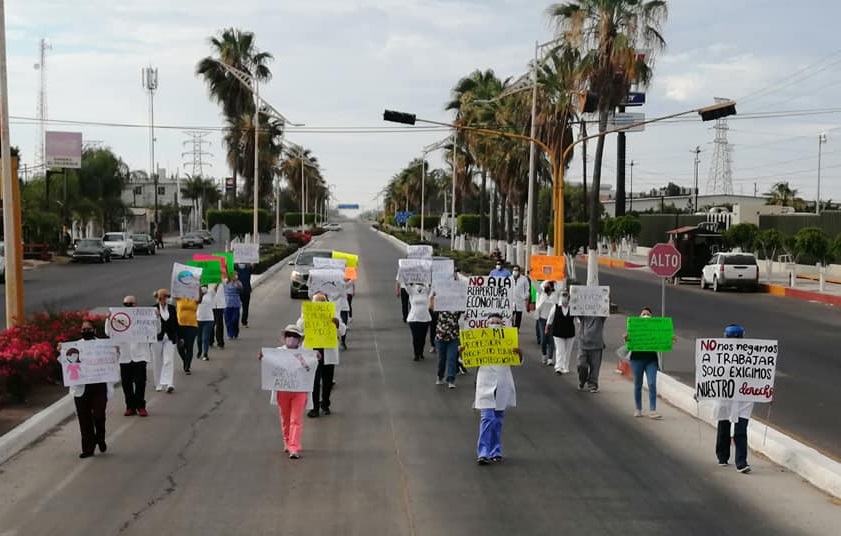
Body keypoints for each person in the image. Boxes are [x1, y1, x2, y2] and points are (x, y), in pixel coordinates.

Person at [469, 313, 521, 465]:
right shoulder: (480, 341)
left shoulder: (508, 341)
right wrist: (462, 351)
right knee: (487, 418)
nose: (495, 324)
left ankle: (495, 450)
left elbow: (517, 361)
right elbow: (469, 359)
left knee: (497, 420)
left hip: (502, 383)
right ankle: (483, 452)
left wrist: (519, 352)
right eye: (492, 322)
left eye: (498, 322)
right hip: (486, 382)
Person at [261, 324, 312, 459]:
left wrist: (314, 358)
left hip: (299, 390)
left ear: (300, 339)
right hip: (283, 390)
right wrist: (263, 357)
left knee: (296, 419)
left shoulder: (306, 353)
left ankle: (294, 447)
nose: (291, 339)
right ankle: (287, 441)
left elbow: (310, 368)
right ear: (284, 338)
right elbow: (270, 366)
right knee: (285, 418)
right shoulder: (278, 352)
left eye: (295, 336)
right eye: (289, 335)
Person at [65, 320, 114, 458]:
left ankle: (100, 438)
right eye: (83, 329)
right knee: (84, 418)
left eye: (89, 329)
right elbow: (66, 362)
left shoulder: (103, 345)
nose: (86, 331)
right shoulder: (75, 346)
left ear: (94, 330)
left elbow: (112, 360)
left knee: (99, 415)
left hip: (99, 385)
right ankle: (88, 448)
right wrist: (61, 352)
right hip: (81, 386)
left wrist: (114, 352)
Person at [297, 292, 345, 418]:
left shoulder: (333, 313)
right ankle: (315, 408)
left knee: (327, 380)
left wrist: (337, 324)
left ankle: (325, 404)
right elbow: (299, 328)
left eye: (321, 303)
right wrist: (306, 319)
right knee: (314, 380)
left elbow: (342, 330)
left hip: (328, 350)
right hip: (313, 351)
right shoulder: (306, 313)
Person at [714, 324, 754, 474]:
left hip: (743, 397)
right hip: (726, 396)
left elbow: (761, 375)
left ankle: (740, 462)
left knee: (739, 429)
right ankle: (723, 456)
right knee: (726, 427)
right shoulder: (718, 353)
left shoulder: (751, 354)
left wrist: (765, 393)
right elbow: (709, 373)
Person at [112, 295, 153, 417]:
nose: (129, 307)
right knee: (126, 383)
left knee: (140, 382)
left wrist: (156, 320)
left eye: (131, 304)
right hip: (125, 356)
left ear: (136, 305)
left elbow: (155, 332)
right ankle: (130, 406)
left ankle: (141, 406)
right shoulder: (118, 317)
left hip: (140, 355)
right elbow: (109, 332)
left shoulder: (143, 317)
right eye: (126, 304)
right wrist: (109, 320)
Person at [623, 307, 662, 419]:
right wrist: (626, 338)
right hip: (637, 359)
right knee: (637, 384)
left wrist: (670, 339)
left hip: (651, 360)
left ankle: (653, 410)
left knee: (651, 384)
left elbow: (663, 340)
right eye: (644, 314)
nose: (646, 316)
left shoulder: (655, 329)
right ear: (639, 316)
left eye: (648, 314)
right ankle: (638, 409)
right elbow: (628, 342)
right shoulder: (634, 328)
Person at [151, 288, 178, 393]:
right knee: (157, 361)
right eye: (163, 297)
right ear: (159, 298)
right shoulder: (153, 309)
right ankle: (158, 383)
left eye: (167, 297)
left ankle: (169, 383)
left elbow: (176, 323)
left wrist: (179, 337)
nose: (165, 299)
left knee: (168, 360)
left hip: (170, 338)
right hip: (157, 338)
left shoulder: (171, 308)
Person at [546, 288, 576, 375]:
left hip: (570, 332)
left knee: (568, 351)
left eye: (566, 295)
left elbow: (578, 319)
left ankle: (565, 367)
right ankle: (559, 367)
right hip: (558, 332)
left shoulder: (573, 308)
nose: (564, 297)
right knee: (560, 350)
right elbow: (550, 317)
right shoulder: (556, 307)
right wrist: (547, 327)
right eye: (563, 295)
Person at [576, 314, 606, 393]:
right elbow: (576, 310)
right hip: (583, 343)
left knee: (595, 367)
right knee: (581, 364)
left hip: (596, 344)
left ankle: (593, 384)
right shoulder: (583, 314)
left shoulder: (600, 316)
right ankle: (582, 380)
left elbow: (606, 309)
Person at [406, 283, 432, 361]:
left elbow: (431, 286)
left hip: (425, 317)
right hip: (414, 318)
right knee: (416, 336)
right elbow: (406, 284)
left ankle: (421, 352)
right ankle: (416, 353)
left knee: (422, 337)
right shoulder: (412, 290)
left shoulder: (426, 290)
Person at [176, 294, 199, 375]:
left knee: (189, 346)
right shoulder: (179, 297)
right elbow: (174, 291)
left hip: (192, 325)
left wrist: (198, 284)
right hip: (180, 325)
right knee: (180, 346)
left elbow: (199, 298)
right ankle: (185, 360)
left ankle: (187, 366)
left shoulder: (195, 298)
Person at [535, 281, 557, 365]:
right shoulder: (542, 294)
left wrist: (562, 276)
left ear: (551, 287)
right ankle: (544, 354)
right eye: (545, 286)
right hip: (542, 320)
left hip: (552, 320)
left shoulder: (555, 296)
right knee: (544, 339)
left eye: (547, 286)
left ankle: (550, 358)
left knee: (551, 339)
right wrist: (531, 275)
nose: (546, 288)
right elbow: (535, 284)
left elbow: (561, 285)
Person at [197, 285, 215, 361]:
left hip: (209, 319)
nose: (204, 288)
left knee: (206, 338)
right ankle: (200, 350)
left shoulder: (210, 293)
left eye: (205, 286)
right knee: (199, 338)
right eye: (202, 286)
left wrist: (218, 279)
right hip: (198, 319)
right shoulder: (196, 294)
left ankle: (205, 353)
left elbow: (216, 287)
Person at [510, 265, 531, 330]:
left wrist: (525, 296)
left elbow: (527, 289)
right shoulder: (509, 279)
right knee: (510, 317)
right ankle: (511, 328)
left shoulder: (524, 279)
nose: (515, 271)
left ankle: (516, 329)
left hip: (520, 301)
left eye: (516, 270)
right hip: (511, 300)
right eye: (514, 270)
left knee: (518, 317)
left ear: (519, 271)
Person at [223, 273, 243, 340]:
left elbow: (241, 289)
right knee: (228, 320)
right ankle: (230, 334)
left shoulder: (238, 283)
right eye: (234, 274)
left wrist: (237, 283)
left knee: (235, 319)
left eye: (236, 274)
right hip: (227, 304)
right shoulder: (225, 282)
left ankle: (235, 333)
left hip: (236, 304)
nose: (235, 276)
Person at [236, 263, 253, 328]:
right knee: (237, 307)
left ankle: (244, 321)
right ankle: (237, 321)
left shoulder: (248, 267)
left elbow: (254, 267)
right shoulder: (234, 267)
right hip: (237, 290)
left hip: (246, 289)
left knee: (245, 307)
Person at [211, 281, 227, 350]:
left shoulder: (222, 279)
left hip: (220, 304)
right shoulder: (208, 279)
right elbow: (212, 291)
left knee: (219, 324)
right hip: (210, 304)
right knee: (211, 323)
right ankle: (210, 340)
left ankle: (220, 343)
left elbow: (227, 281)